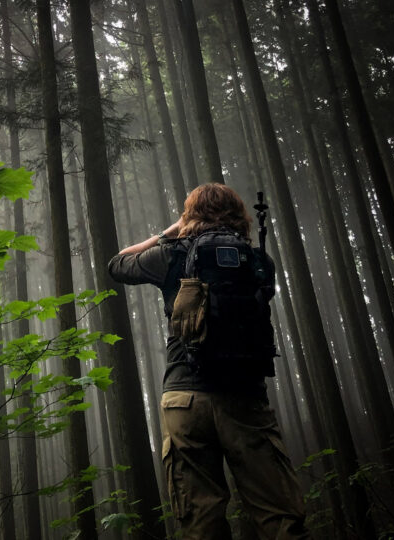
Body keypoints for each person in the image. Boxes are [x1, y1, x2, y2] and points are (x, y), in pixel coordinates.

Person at [108, 183, 309, 539]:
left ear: (190, 216)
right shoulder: (260, 261)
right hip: (245, 399)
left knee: (200, 522)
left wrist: (168, 232)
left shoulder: (172, 255)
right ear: (239, 216)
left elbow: (118, 263)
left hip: (184, 400)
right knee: (279, 516)